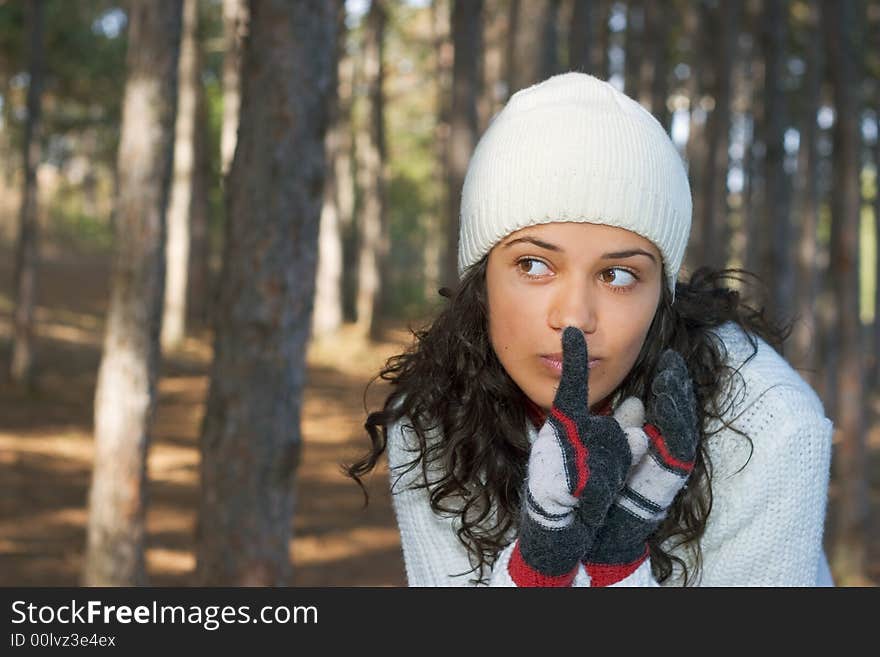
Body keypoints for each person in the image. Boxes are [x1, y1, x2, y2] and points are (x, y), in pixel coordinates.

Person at [345, 72, 834, 587]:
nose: (575, 316)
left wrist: (615, 555)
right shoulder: (432, 419)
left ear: (660, 296)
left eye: (617, 275)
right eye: (534, 265)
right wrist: (543, 564)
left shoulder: (770, 425)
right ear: (482, 279)